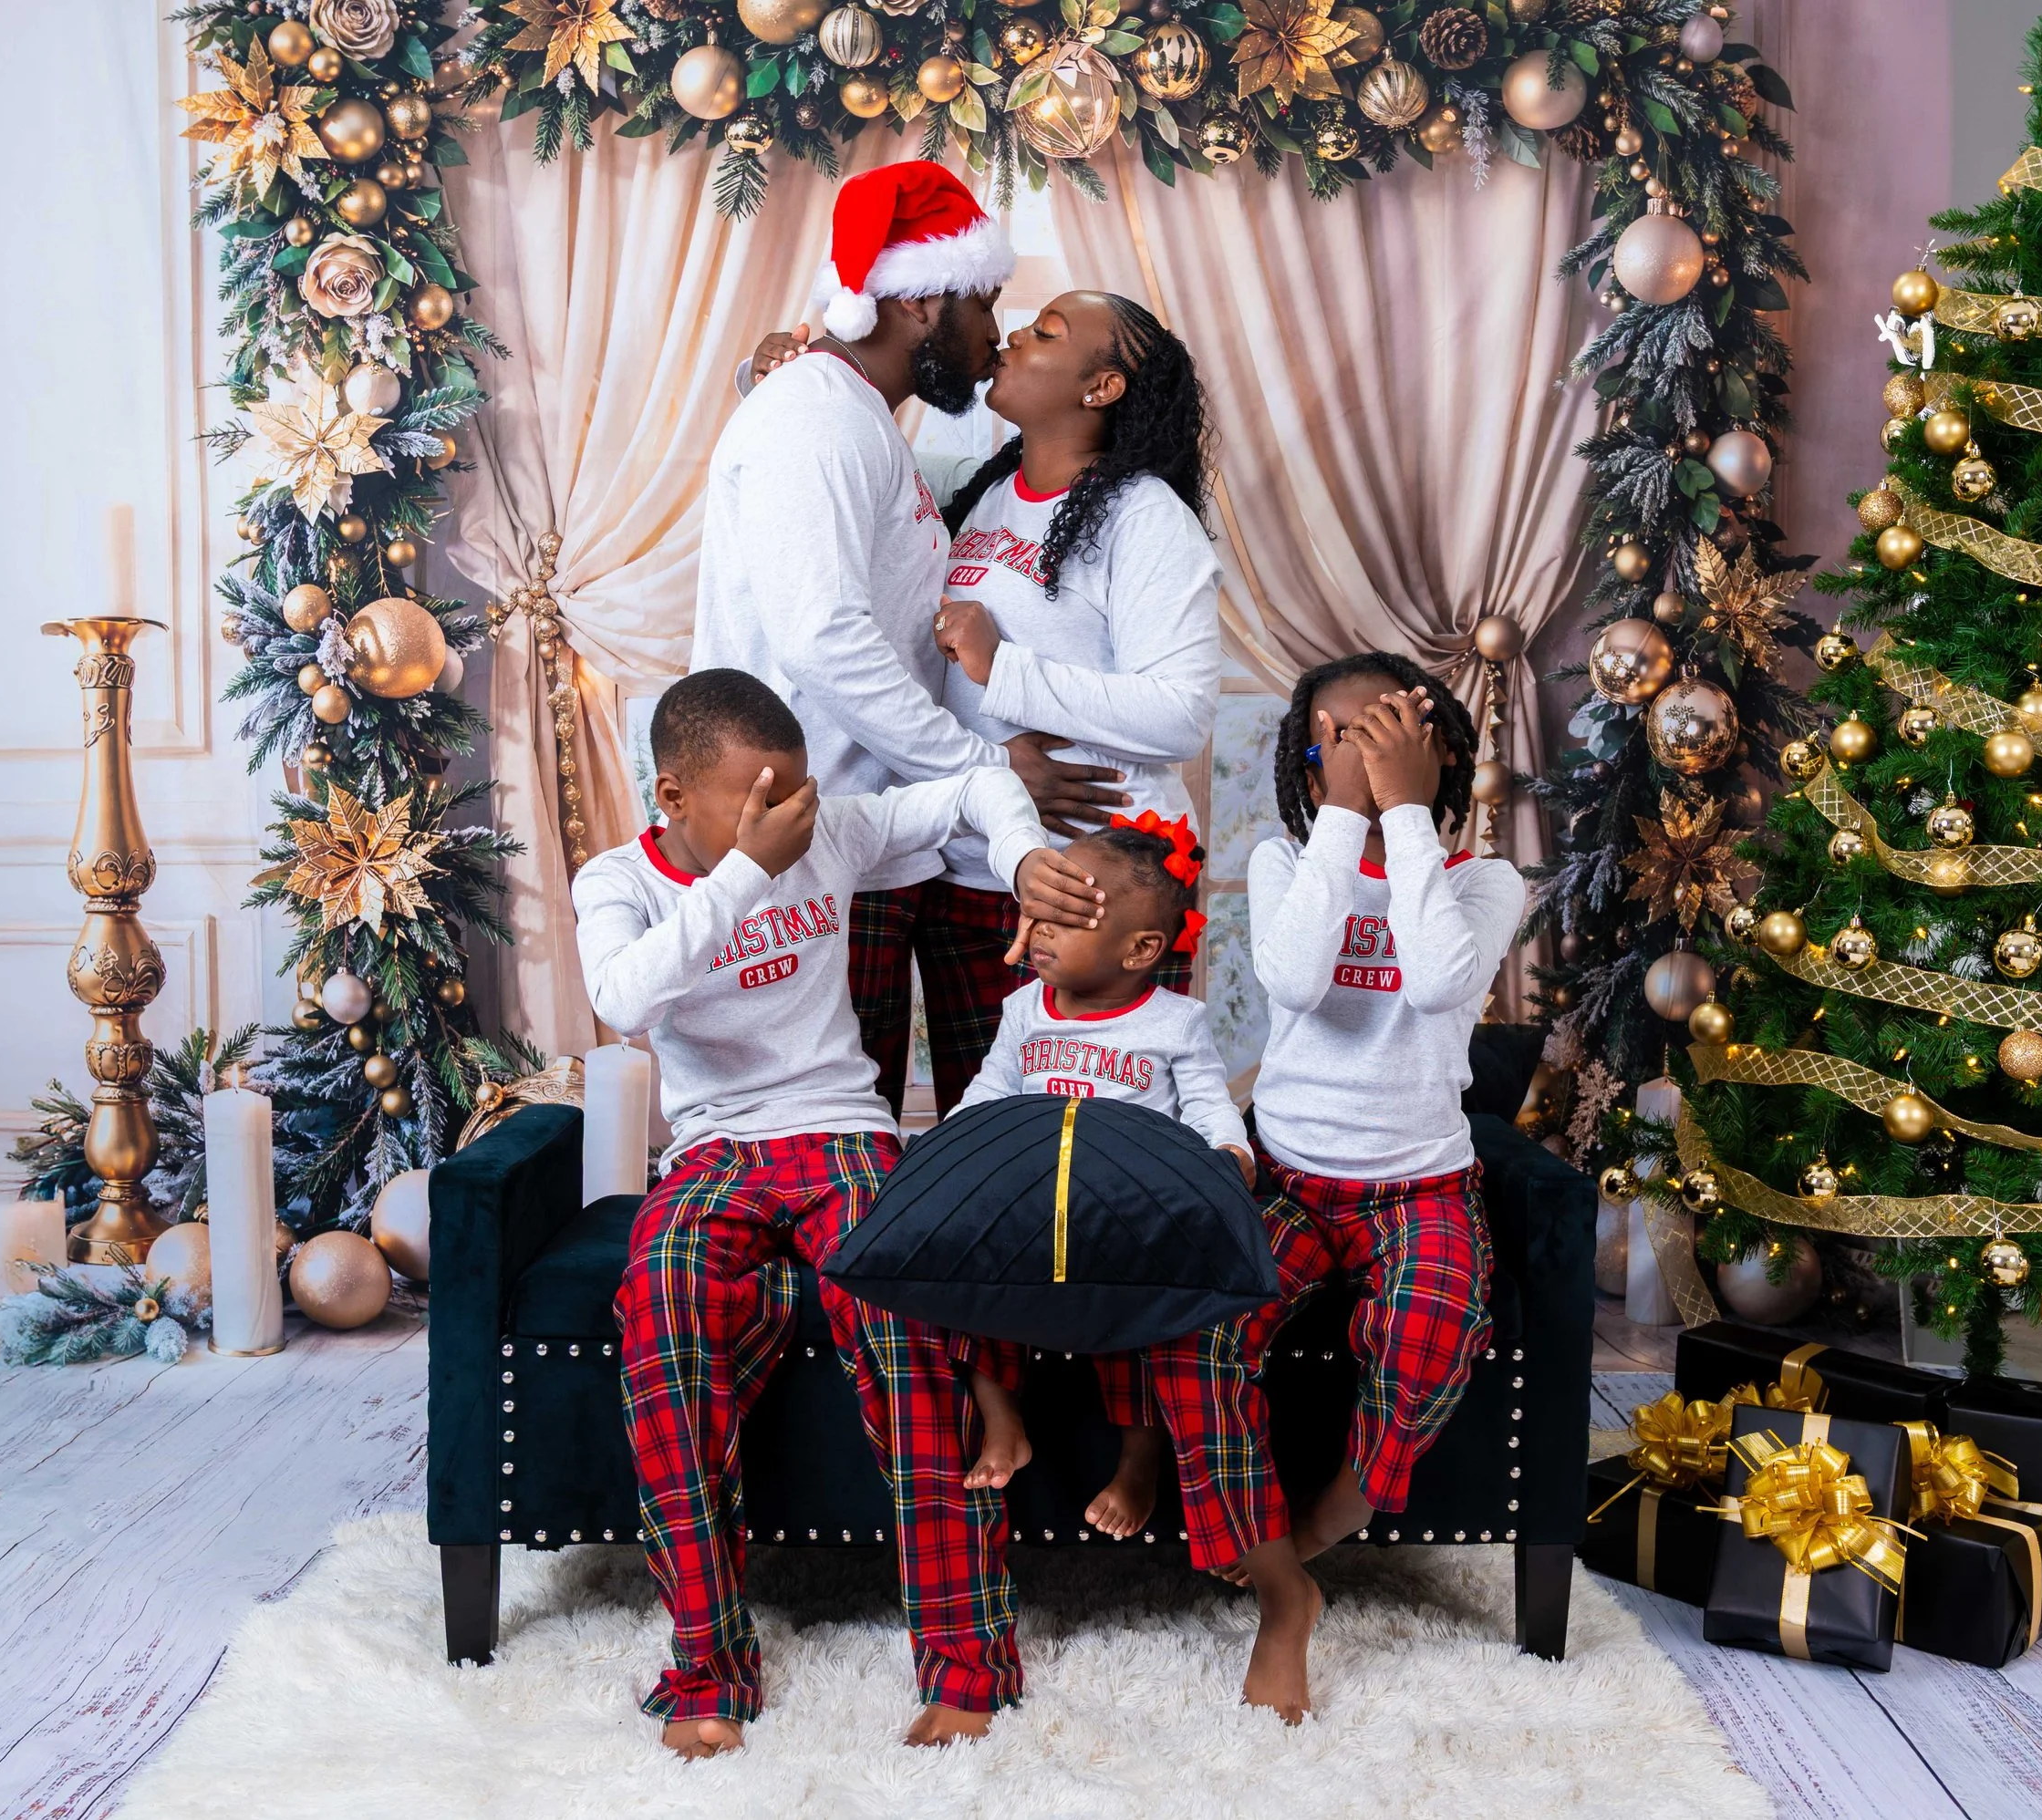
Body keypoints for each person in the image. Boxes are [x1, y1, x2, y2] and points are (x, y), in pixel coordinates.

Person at [573, 668, 1104, 1757]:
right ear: (672, 794)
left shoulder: (824, 833)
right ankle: (708, 1668)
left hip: (840, 1131)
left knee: (907, 1319)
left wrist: (1021, 856)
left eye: (801, 792)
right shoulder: (618, 881)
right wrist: (742, 871)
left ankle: (964, 1659)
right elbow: (623, 1000)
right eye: (760, 797)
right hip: (714, 1148)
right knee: (661, 1312)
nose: (793, 816)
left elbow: (966, 787)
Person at [695, 162, 1129, 1122]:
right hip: (811, 843)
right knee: (827, 1138)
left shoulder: (853, 417)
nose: (993, 335)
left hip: (861, 839)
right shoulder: (817, 418)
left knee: (871, 1126)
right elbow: (821, 639)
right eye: (984, 302)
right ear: (923, 299)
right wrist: (983, 772)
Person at [1141, 653, 1527, 1724]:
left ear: (1435, 747)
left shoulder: (1482, 882)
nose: (1356, 750)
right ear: (1307, 765)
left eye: (1382, 730)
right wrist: (1346, 826)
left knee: (1432, 1319)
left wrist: (1403, 817)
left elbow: (1446, 978)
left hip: (1420, 1184)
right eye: (1334, 735)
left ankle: (1334, 1515)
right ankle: (1280, 1585)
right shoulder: (1282, 863)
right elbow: (1300, 979)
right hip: (1294, 1174)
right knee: (1193, 1325)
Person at [750, 290, 1220, 1114]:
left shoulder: (1147, 518)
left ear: (1101, 387)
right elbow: (829, 463)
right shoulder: (985, 498)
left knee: (1084, 1148)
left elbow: (1181, 713)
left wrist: (1007, 668)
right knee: (989, 1142)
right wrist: (773, 377)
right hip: (970, 865)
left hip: (1092, 883)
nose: (1012, 336)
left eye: (1047, 332)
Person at [944, 812, 1251, 1537]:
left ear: (1142, 948)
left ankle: (1139, 1459)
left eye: (1067, 920)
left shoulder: (1173, 1023)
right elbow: (991, 1089)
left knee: (1147, 1311)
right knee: (964, 1275)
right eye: (1039, 912)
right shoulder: (1026, 1009)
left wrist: (1229, 1156)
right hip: (1031, 1203)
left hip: (1124, 1213)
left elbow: (1210, 1103)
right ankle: (1002, 1419)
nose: (1040, 930)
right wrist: (952, 1145)